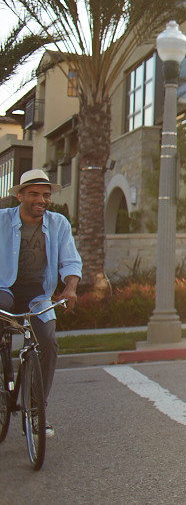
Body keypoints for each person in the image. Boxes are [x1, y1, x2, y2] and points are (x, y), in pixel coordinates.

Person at [0, 169, 82, 438]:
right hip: (4, 290)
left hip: (38, 295)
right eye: (34, 194)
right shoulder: (1, 221)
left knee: (47, 341)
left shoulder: (58, 223)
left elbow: (70, 261)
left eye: (46, 195)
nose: (42, 200)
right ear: (20, 195)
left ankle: (36, 411)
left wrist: (70, 288)